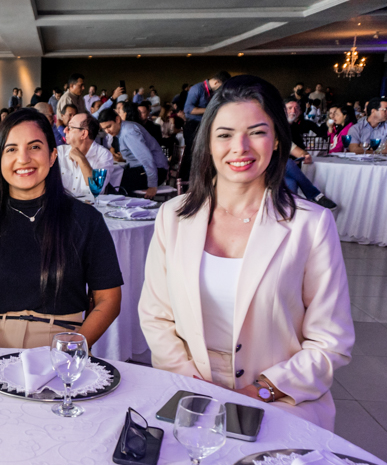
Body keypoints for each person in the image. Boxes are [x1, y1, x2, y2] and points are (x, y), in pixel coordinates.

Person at [139, 74, 353, 431]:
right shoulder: (173, 217)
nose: (240, 147)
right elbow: (156, 316)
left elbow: (330, 343)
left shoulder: (310, 225)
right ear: (207, 143)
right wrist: (193, 386)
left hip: (281, 399)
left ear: (277, 139)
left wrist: (261, 391)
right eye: (224, 135)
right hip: (189, 391)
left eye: (256, 131)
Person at [0, 108, 123, 349]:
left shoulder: (86, 220)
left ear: (53, 156)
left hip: (66, 346)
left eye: (34, 147)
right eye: (11, 149)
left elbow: (108, 299)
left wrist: (71, 350)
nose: (23, 159)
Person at [99, 108, 166, 199]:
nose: (107, 131)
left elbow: (146, 158)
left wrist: (152, 185)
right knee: (110, 177)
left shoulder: (128, 132)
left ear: (117, 120)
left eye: (109, 126)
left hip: (156, 171)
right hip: (145, 169)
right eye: (104, 129)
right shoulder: (124, 129)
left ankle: (125, 208)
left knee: (112, 182)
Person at [180, 71, 231, 181]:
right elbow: (189, 109)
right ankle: (185, 180)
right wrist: (211, 109)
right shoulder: (197, 89)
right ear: (217, 82)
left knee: (205, 152)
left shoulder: (213, 92)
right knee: (192, 152)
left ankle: (203, 180)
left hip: (204, 124)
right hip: (192, 125)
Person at [56, 111, 117, 197]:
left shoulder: (104, 155)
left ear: (83, 134)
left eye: (70, 127)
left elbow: (96, 189)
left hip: (90, 208)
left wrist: (82, 160)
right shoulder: (61, 152)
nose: (65, 130)